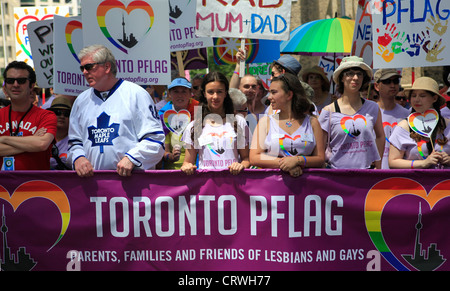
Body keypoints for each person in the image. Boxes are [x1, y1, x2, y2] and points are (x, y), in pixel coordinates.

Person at [68, 44, 165, 177]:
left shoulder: (136, 94)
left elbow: (155, 140)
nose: (84, 72)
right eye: (82, 68)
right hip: (92, 185)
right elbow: (75, 142)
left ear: (107, 67)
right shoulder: (80, 101)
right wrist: (78, 158)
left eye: (89, 67)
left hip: (132, 182)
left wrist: (132, 158)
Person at [250, 73, 325, 177]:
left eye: (274, 92)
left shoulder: (312, 122)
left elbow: (320, 158)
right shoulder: (265, 122)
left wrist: (298, 160)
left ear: (289, 95)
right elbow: (254, 157)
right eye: (269, 93)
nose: (269, 97)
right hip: (273, 187)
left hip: (307, 187)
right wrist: (287, 164)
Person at [318, 56, 385, 169]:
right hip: (336, 175)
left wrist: (378, 166)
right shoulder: (328, 111)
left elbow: (380, 136)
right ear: (341, 78)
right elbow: (320, 148)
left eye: (359, 74)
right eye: (350, 73)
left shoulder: (373, 107)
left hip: (366, 174)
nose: (355, 78)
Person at [181, 71, 250, 175]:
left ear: (226, 93)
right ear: (204, 93)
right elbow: (187, 162)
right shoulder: (194, 126)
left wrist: (241, 165)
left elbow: (247, 158)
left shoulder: (239, 122)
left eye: (219, 91)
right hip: (207, 187)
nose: (215, 97)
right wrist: (187, 167)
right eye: (211, 92)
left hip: (233, 185)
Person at [0, 61, 57, 170]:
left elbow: (41, 144)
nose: (15, 85)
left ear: (31, 86)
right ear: (6, 86)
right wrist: (31, 142)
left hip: (35, 184)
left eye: (21, 81)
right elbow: (36, 145)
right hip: (3, 185)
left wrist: (3, 139)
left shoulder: (46, 116)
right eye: (10, 81)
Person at [389, 77, 450, 169]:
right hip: (415, 182)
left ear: (434, 98)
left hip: (443, 182)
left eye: (422, 96)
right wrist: (423, 163)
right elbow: (392, 162)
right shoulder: (404, 126)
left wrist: (448, 160)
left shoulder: (447, 125)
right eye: (413, 95)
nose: (416, 100)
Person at [158, 77, 199, 169]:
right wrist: (170, 157)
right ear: (169, 94)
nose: (180, 95)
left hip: (196, 170)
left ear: (190, 94)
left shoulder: (200, 112)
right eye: (176, 91)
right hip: (172, 173)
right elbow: (163, 150)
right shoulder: (163, 116)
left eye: (184, 91)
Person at [373, 69, 410, 169]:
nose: (392, 85)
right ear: (376, 86)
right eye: (387, 82)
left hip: (400, 173)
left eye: (395, 81)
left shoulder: (407, 114)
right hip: (375, 173)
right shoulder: (369, 113)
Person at [48, 96, 73, 170]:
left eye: (66, 114)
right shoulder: (41, 137)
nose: (62, 116)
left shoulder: (75, 140)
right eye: (57, 113)